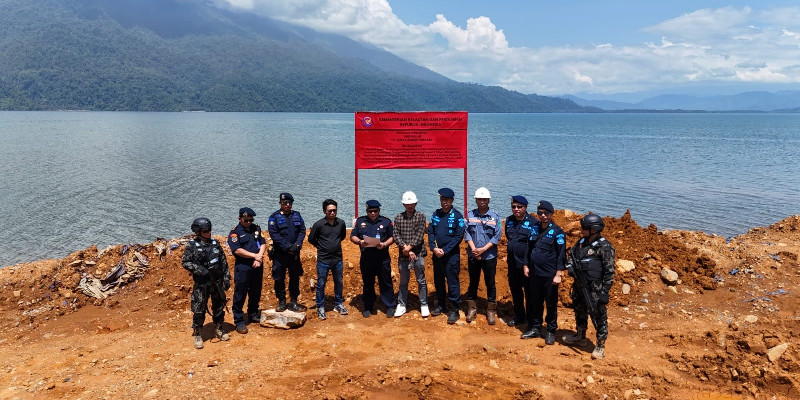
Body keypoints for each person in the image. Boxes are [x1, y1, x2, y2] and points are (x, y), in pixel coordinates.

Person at [564, 214, 615, 360]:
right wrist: (570, 267)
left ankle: (600, 345)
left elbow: (609, 272)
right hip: (580, 284)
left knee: (598, 315)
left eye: (584, 228)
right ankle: (580, 335)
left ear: (594, 229)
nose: (581, 230)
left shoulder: (604, 247)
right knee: (579, 310)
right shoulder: (581, 242)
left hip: (595, 288)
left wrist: (605, 291)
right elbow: (571, 256)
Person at [521, 200, 567, 345]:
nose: (543, 216)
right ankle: (535, 327)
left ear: (552, 214)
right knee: (535, 302)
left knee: (551, 304)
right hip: (534, 273)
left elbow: (561, 254)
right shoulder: (534, 228)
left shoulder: (557, 232)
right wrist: (525, 265)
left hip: (549, 275)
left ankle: (551, 331)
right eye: (540, 213)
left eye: (546, 213)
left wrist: (558, 273)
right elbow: (528, 248)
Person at [183, 217, 231, 349]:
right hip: (202, 284)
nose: (208, 233)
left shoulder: (215, 244)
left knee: (219, 306)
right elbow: (185, 262)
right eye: (205, 231)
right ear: (198, 232)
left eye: (209, 230)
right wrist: (199, 270)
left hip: (216, 282)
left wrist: (226, 278)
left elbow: (223, 262)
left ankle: (219, 328)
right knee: (199, 309)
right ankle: (198, 333)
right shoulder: (192, 246)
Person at [350, 200, 396, 318]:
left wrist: (384, 244)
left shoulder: (386, 222)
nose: (373, 213)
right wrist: (360, 242)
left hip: (382, 258)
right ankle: (368, 306)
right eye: (370, 211)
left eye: (375, 211)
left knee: (385, 282)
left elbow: (393, 237)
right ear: (367, 211)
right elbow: (353, 236)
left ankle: (390, 305)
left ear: (379, 211)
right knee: (368, 283)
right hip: (367, 259)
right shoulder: (360, 221)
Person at [463, 187, 502, 324]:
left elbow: (497, 235)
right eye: (480, 199)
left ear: (488, 200)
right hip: (473, 255)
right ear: (476, 200)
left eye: (484, 199)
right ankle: (472, 309)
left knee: (490, 283)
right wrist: (474, 249)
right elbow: (466, 232)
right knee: (473, 282)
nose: (482, 201)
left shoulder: (494, 216)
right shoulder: (470, 215)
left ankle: (491, 310)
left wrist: (483, 249)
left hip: (489, 256)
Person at [428, 187, 465, 324]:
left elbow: (458, 236)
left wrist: (445, 250)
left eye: (447, 200)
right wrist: (433, 247)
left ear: (452, 201)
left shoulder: (457, 216)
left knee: (452, 282)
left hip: (451, 256)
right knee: (438, 281)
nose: (444, 202)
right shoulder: (436, 214)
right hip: (437, 255)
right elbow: (430, 231)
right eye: (442, 199)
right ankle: (440, 305)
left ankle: (454, 310)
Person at [307, 199, 348, 320]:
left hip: (337, 260)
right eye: (330, 211)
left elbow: (342, 236)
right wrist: (321, 246)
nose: (332, 213)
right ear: (324, 211)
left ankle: (338, 304)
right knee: (321, 283)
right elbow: (311, 239)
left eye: (334, 210)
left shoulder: (341, 223)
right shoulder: (319, 224)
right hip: (323, 260)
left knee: (339, 282)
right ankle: (320, 306)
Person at [227, 207, 266, 335]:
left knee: (255, 290)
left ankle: (253, 313)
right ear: (240, 219)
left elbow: (262, 243)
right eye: (246, 220)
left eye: (251, 220)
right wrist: (254, 256)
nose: (249, 222)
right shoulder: (235, 233)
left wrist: (259, 258)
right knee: (240, 293)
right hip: (243, 266)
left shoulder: (256, 228)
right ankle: (239, 320)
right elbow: (237, 250)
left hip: (257, 264)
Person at [392, 191, 430, 318]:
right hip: (404, 254)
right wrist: (405, 248)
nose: (410, 206)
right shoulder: (398, 218)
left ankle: (424, 304)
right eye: (407, 203)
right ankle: (402, 305)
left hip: (418, 254)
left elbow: (419, 235)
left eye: (412, 203)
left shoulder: (421, 216)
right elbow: (396, 235)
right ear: (403, 204)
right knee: (403, 281)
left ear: (416, 203)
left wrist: (408, 248)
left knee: (421, 280)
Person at [268, 193, 306, 313]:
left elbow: (302, 230)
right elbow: (274, 234)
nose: (288, 205)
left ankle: (293, 302)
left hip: (294, 254)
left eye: (290, 203)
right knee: (279, 278)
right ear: (280, 203)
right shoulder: (274, 217)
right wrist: (288, 246)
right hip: (280, 254)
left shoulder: (297, 215)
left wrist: (298, 245)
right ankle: (282, 302)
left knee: (294, 277)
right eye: (285, 203)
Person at [504, 195, 538, 327]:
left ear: (525, 207)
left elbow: (534, 245)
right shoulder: (509, 220)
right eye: (514, 207)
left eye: (519, 207)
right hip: (512, 263)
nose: (516, 209)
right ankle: (519, 315)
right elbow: (510, 238)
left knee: (529, 291)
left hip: (527, 264)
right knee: (515, 290)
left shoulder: (534, 222)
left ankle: (531, 317)